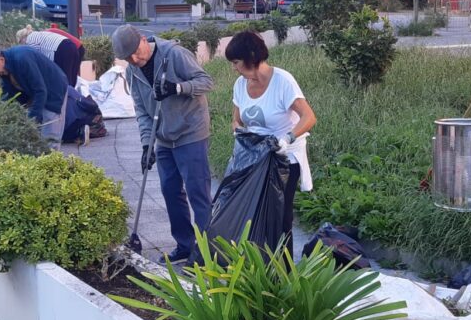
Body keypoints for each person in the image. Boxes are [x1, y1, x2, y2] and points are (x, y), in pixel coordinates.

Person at [112, 24, 214, 263]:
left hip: (191, 132)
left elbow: (207, 82)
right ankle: (185, 245)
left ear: (143, 40)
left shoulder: (174, 54)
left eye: (136, 52)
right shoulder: (132, 72)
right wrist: (147, 145)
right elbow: (142, 111)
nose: (135, 59)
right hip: (164, 138)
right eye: (128, 58)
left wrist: (177, 88)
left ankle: (205, 251)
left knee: (198, 193)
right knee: (170, 190)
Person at [225, 31, 317, 253]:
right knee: (251, 213)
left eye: (236, 62)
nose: (234, 68)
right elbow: (236, 119)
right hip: (255, 158)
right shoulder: (240, 84)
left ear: (251, 58)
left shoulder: (283, 81)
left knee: (279, 217)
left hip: (284, 160)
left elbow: (309, 117)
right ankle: (256, 267)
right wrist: (239, 132)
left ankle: (283, 272)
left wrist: (287, 139)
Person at [0, 46, 69, 141]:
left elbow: (40, 91)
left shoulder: (21, 60)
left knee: (50, 132)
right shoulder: (6, 69)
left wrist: (32, 119)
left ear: (1, 60)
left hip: (54, 88)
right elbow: (7, 95)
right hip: (38, 90)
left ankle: (52, 154)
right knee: (37, 134)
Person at [19, 26, 83, 87]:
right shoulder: (40, 34)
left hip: (60, 50)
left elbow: (34, 58)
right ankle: (73, 96)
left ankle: (67, 97)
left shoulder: (29, 40)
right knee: (71, 78)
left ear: (22, 38)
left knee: (64, 79)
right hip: (71, 46)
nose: (22, 45)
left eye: (20, 42)